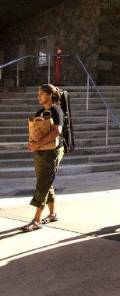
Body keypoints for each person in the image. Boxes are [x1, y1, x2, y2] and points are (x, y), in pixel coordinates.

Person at [22, 84, 65, 232]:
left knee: (43, 183)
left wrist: (38, 144)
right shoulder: (40, 112)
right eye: (38, 93)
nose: (38, 96)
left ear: (49, 95)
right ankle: (52, 214)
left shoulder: (56, 110)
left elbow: (57, 131)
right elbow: (36, 131)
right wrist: (32, 143)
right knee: (45, 180)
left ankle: (36, 220)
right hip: (40, 150)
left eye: (41, 93)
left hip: (53, 151)